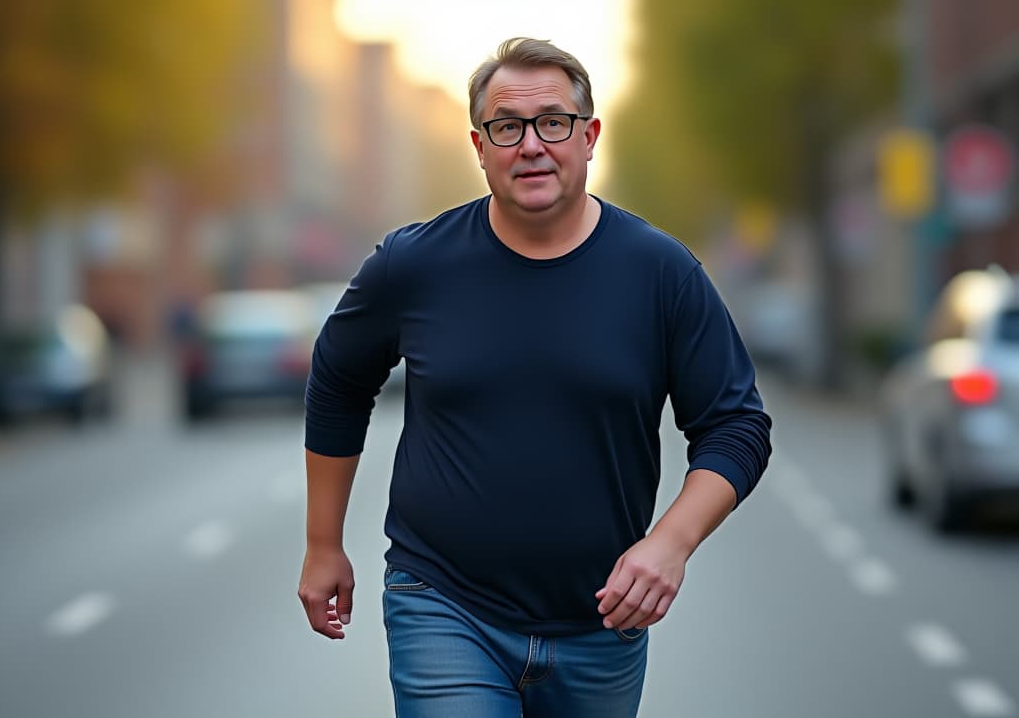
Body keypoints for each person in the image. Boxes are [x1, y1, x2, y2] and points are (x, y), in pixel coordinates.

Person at [298, 37, 772, 718]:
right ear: (479, 145)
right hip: (443, 605)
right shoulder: (413, 265)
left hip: (602, 623)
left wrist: (670, 544)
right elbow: (339, 381)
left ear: (589, 138)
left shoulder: (661, 274)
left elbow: (736, 424)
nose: (531, 144)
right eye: (507, 126)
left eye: (553, 122)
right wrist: (322, 543)